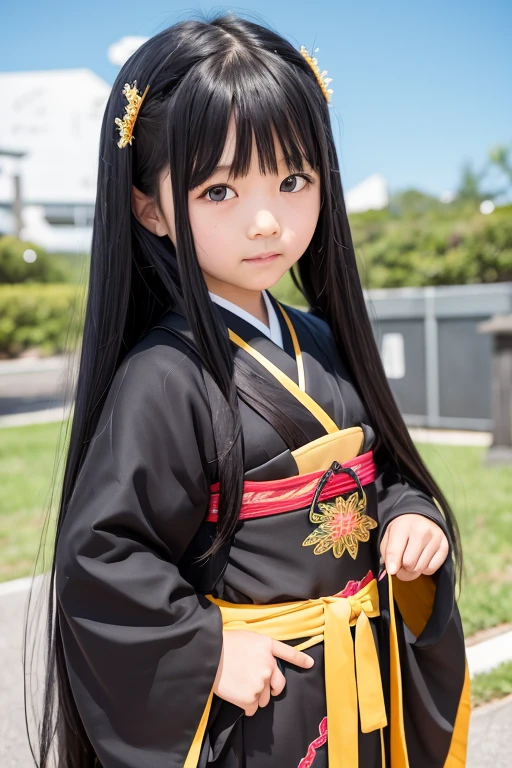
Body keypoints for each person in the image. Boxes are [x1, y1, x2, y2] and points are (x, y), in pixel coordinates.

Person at [35, 13, 470, 768]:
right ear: (149, 209)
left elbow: (383, 472)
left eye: (293, 179)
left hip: (360, 676)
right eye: (220, 190)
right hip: (262, 700)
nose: (267, 220)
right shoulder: (163, 377)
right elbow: (100, 556)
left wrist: (409, 516)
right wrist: (205, 653)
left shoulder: (326, 339)